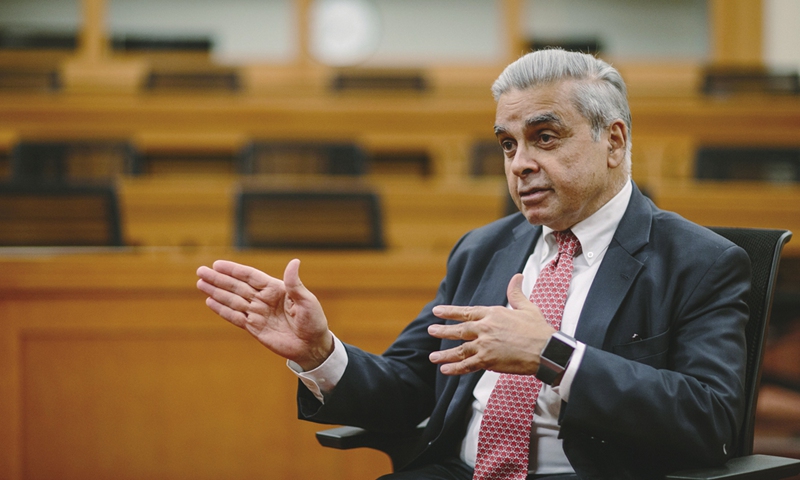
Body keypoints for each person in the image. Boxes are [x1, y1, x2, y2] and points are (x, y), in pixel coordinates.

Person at [196, 49, 750, 480]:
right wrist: (321, 353)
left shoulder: (700, 262)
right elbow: (411, 384)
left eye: (545, 138)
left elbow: (711, 419)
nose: (520, 164)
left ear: (614, 140)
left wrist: (552, 355)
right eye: (508, 145)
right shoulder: (483, 249)